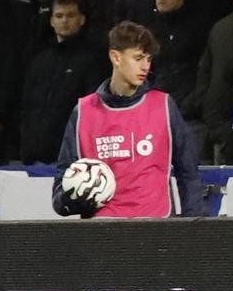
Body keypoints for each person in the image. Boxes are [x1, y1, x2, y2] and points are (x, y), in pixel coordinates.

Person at [58, 19, 201, 213]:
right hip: (103, 230)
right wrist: (72, 200)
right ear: (116, 58)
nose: (145, 67)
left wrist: (194, 225)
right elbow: (62, 182)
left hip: (155, 227)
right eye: (138, 58)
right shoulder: (84, 111)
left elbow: (188, 172)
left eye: (148, 59)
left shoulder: (164, 106)